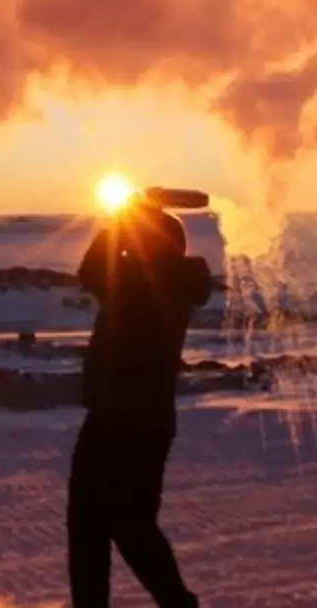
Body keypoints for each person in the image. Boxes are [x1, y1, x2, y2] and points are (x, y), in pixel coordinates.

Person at [68, 192, 213, 608]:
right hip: (120, 417)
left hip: (129, 423)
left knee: (123, 526)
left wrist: (125, 217)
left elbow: (92, 270)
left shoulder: (148, 282)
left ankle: (177, 603)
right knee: (94, 525)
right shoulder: (164, 281)